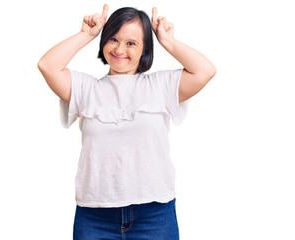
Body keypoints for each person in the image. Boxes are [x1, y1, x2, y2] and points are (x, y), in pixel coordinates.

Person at [38, 4, 216, 240]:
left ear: (144, 49)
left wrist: (168, 42)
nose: (120, 48)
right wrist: (86, 34)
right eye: (113, 38)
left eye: (131, 42)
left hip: (154, 215)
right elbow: (47, 65)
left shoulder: (161, 86)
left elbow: (205, 70)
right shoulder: (85, 88)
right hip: (94, 216)